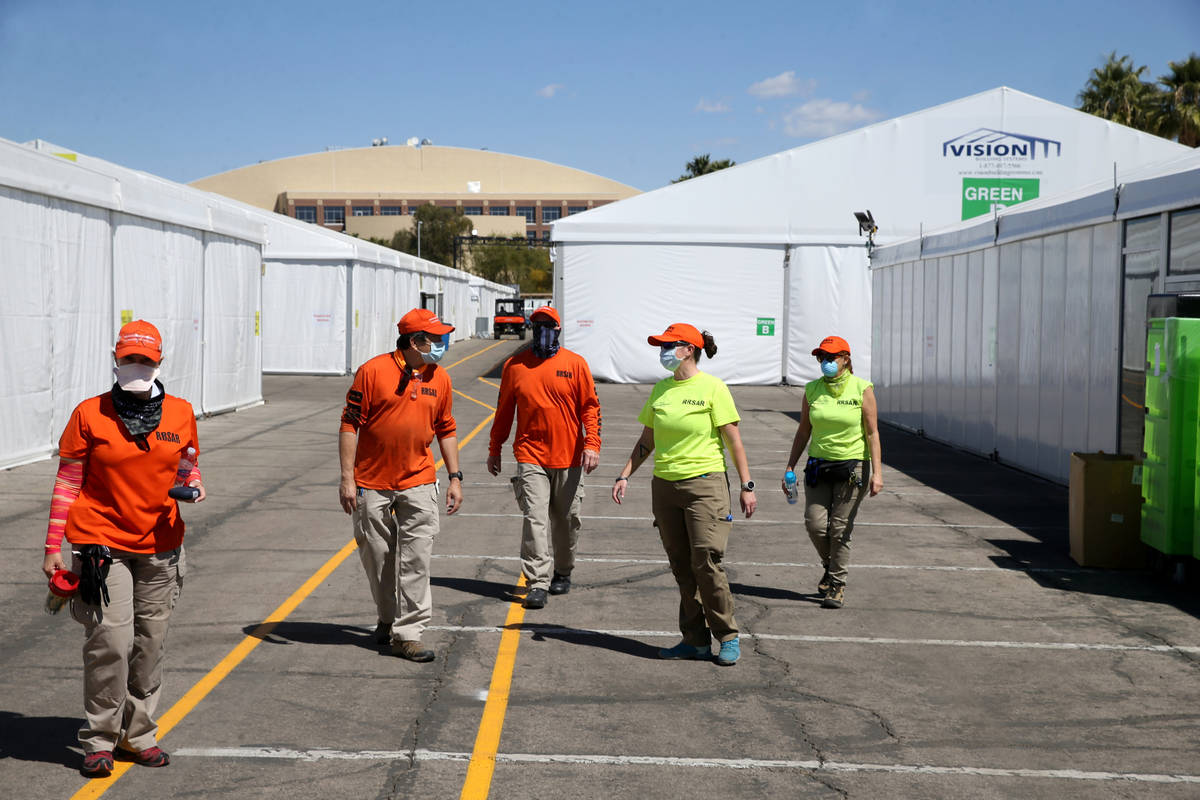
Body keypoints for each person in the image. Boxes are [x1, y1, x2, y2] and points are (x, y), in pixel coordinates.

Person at [41, 320, 205, 778]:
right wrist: (54, 544)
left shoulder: (180, 412)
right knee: (110, 641)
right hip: (100, 542)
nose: (137, 365)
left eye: (145, 359)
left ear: (159, 361)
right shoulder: (89, 413)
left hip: (161, 544)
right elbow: (69, 480)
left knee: (149, 644)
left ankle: (139, 734)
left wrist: (191, 484)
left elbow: (188, 465)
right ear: (116, 360)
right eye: (129, 358)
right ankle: (99, 740)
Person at [612, 324, 756, 666]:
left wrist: (747, 486)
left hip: (705, 485)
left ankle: (728, 635)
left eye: (667, 346)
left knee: (706, 561)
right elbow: (648, 439)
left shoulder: (713, 388)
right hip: (664, 487)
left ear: (688, 349)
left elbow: (733, 440)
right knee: (681, 566)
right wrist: (625, 474)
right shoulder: (661, 390)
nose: (661, 351)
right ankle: (694, 640)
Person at [339, 308, 463, 663]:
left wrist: (455, 477)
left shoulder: (440, 377)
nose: (441, 344)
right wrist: (348, 478)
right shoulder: (372, 372)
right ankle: (387, 617)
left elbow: (447, 428)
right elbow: (349, 425)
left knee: (417, 559)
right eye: (435, 338)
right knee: (379, 557)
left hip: (419, 481)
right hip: (371, 482)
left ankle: (409, 634)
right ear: (414, 342)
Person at [487, 306, 601, 610]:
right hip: (530, 455)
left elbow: (590, 407)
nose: (541, 331)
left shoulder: (575, 365)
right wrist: (495, 447)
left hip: (570, 456)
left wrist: (592, 443)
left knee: (566, 521)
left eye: (548, 325)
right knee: (534, 518)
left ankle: (563, 571)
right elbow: (504, 411)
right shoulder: (515, 366)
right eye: (536, 325)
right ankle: (537, 581)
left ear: (558, 330)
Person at [783, 335, 883, 609]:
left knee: (840, 529)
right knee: (814, 524)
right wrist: (790, 466)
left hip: (854, 468)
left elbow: (872, 433)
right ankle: (830, 565)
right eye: (821, 358)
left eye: (830, 358)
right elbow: (804, 430)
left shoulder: (862, 389)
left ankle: (837, 585)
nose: (825, 362)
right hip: (818, 466)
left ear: (845, 359)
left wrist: (877, 473)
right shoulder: (812, 389)